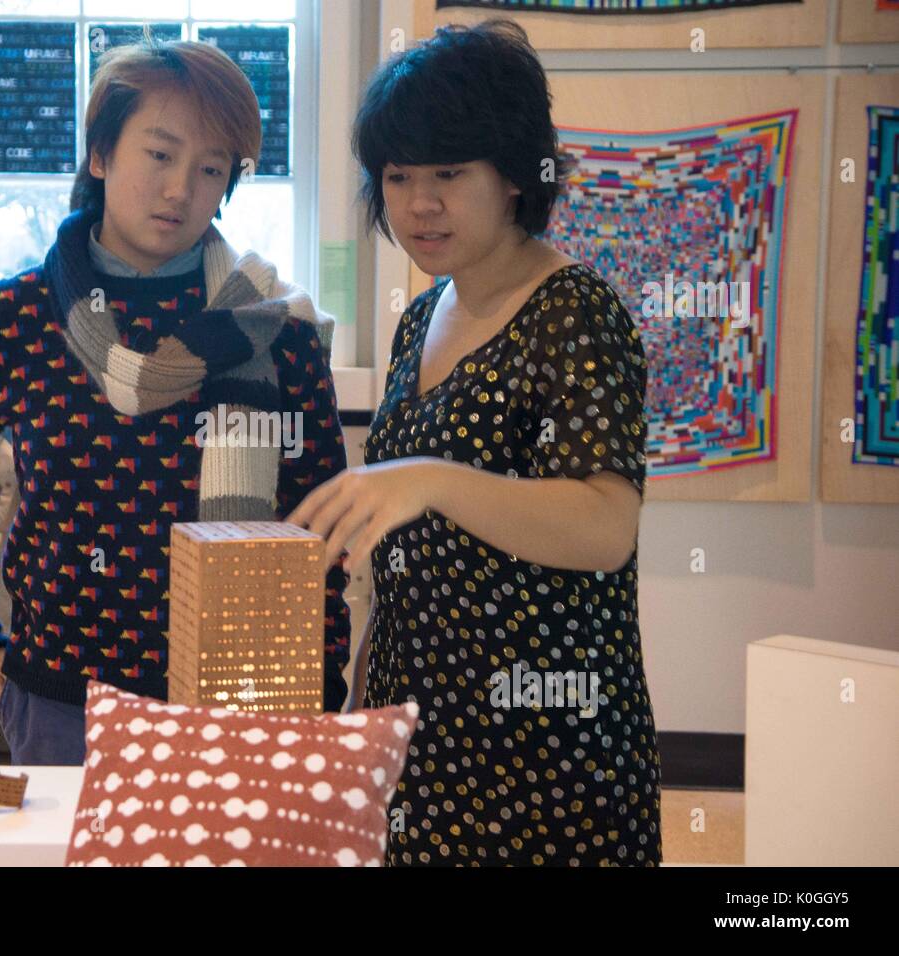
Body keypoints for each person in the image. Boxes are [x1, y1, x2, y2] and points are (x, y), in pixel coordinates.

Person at [0, 36, 352, 766]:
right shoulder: (11, 318)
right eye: (160, 155)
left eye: (210, 169)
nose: (181, 190)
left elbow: (319, 531)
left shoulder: (270, 328)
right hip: (61, 707)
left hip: (244, 703)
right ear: (101, 155)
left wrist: (316, 694)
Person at [287, 20, 662, 865]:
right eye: (398, 176)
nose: (421, 203)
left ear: (517, 175)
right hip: (422, 739)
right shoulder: (422, 314)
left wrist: (430, 478)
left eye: (450, 173)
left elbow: (605, 528)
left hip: (545, 753)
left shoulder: (575, 312)